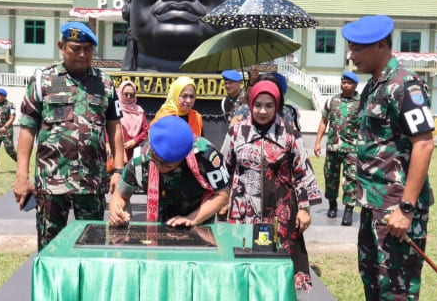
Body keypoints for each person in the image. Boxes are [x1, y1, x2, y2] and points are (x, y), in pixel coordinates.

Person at [342, 14, 435, 300]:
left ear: (381, 45)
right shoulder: (372, 86)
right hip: (373, 205)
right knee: (374, 283)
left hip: (396, 208)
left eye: (357, 48)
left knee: (397, 290)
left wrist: (406, 208)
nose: (351, 55)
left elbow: (423, 144)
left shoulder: (405, 85)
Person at [13, 21, 125, 251]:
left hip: (91, 182)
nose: (82, 55)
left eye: (88, 49)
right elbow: (27, 130)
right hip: (51, 182)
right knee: (50, 248)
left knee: (92, 246)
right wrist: (21, 176)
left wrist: (119, 171)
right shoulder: (43, 80)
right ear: (61, 46)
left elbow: (115, 128)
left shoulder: (105, 83)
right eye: (75, 48)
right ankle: (52, 288)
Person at [221, 81, 322, 292]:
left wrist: (304, 209)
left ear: (277, 106)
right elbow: (224, 169)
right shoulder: (236, 132)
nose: (263, 111)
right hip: (243, 209)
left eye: (269, 105)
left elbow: (302, 172)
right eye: (258, 105)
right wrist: (222, 198)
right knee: (242, 259)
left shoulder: (290, 134)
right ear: (250, 104)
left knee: (279, 263)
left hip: (280, 209)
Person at [109, 115, 229, 227]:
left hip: (200, 222)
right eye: (155, 160)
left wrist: (192, 219)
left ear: (183, 156)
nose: (160, 167)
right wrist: (116, 212)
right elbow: (120, 195)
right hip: (158, 226)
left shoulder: (206, 156)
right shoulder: (141, 159)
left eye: (167, 164)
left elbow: (222, 195)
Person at [313, 71, 360, 226]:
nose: (345, 85)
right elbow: (323, 121)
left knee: (351, 180)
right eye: (343, 82)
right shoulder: (332, 100)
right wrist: (318, 142)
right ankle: (332, 205)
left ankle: (348, 211)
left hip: (352, 149)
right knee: (330, 178)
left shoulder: (362, 103)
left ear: (355, 85)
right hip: (332, 148)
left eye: (349, 83)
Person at [116, 80, 149, 161]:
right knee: (118, 173)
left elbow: (146, 131)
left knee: (137, 173)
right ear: (120, 93)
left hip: (136, 151)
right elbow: (108, 129)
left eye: (131, 95)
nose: (128, 97)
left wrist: (135, 141)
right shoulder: (115, 109)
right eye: (125, 94)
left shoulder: (139, 111)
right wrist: (107, 144)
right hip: (118, 151)